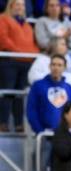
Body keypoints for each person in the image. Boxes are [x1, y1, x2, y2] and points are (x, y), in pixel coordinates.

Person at [0, 0, 40, 133]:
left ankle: (18, 124)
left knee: (20, 95)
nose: (20, 7)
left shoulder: (26, 24)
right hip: (9, 61)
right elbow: (4, 40)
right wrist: (21, 52)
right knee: (7, 93)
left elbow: (32, 43)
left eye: (22, 5)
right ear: (10, 5)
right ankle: (3, 122)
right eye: (17, 4)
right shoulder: (3, 19)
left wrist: (33, 54)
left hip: (26, 62)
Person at [26, 54, 71, 135]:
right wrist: (40, 131)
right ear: (49, 66)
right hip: (44, 134)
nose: (56, 68)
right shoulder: (38, 86)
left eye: (59, 65)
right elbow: (31, 110)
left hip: (64, 135)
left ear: (64, 68)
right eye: (53, 64)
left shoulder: (69, 88)